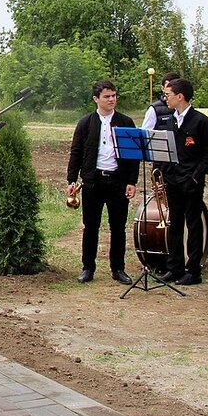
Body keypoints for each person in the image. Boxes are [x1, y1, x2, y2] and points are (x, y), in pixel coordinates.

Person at [66, 81, 139, 284]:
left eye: (114, 95)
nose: (112, 100)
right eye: (107, 96)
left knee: (118, 227)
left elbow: (133, 156)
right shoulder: (85, 123)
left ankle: (118, 268)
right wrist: (72, 179)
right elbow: (76, 153)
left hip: (117, 180)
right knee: (91, 227)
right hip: (93, 181)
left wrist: (131, 181)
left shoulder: (126, 122)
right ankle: (88, 267)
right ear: (96, 99)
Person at [155, 79, 208, 285]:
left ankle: (193, 270)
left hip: (191, 180)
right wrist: (164, 172)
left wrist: (196, 175)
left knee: (193, 224)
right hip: (173, 180)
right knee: (174, 223)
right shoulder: (169, 120)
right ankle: (174, 267)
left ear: (180, 96)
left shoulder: (200, 121)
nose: (166, 98)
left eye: (168, 95)